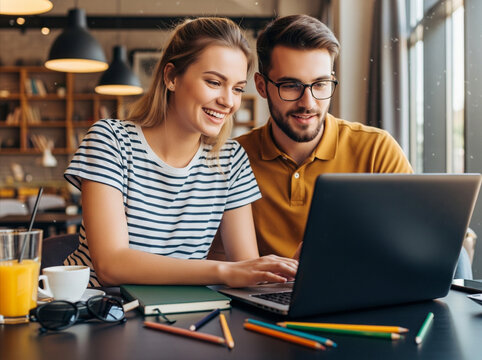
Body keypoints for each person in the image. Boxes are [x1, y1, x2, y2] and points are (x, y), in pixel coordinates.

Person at [208, 14, 472, 279]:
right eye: (291, 85)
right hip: (263, 305)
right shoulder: (230, 160)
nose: (308, 102)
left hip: (361, 298)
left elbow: (414, 248)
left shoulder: (376, 149)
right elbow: (220, 265)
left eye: (320, 84)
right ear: (262, 86)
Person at [63, 17, 297, 287]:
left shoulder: (230, 159)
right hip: (94, 312)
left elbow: (245, 269)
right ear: (171, 77)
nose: (228, 101)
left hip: (177, 314)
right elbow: (111, 266)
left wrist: (287, 273)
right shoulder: (111, 140)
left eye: (237, 89)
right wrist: (222, 272)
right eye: (213, 82)